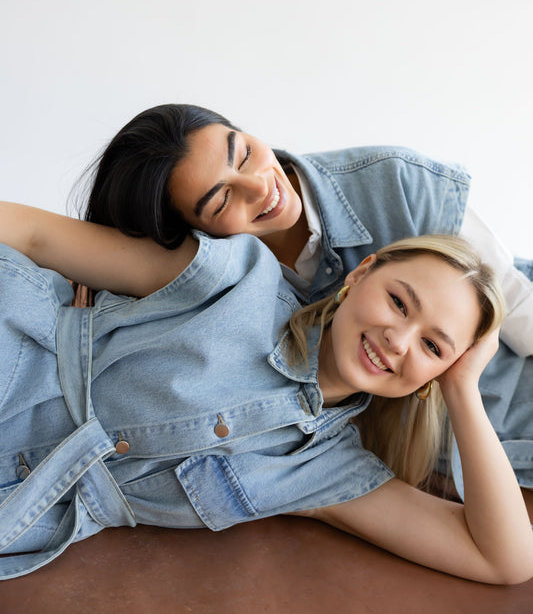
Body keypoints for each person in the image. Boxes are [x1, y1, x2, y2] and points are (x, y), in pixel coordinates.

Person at [0, 201, 532, 584]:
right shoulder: (240, 278)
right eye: (398, 302)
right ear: (361, 273)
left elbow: (505, 560)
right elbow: (38, 238)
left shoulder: (323, 472)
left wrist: (462, 389)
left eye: (434, 348)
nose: (399, 339)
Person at [74, 104, 533, 358]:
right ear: (191, 232)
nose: (260, 186)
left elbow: (515, 302)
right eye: (222, 199)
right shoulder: (213, 281)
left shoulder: (397, 182)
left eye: (245, 153)